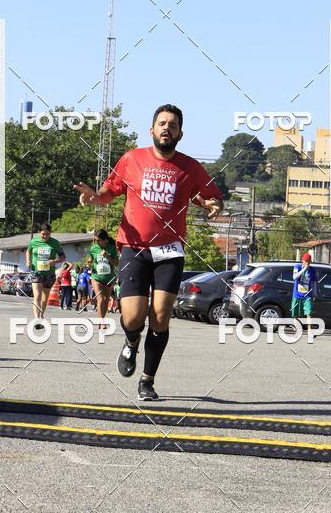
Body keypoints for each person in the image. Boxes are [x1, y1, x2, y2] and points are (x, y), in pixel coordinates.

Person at [75, 103, 223, 401]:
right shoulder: (132, 159)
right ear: (152, 130)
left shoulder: (190, 167)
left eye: (172, 124)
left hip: (170, 250)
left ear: (180, 133)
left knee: (160, 316)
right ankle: (130, 342)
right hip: (133, 248)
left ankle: (147, 380)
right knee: (132, 318)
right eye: (161, 123)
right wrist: (94, 198)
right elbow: (109, 193)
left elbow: (211, 197)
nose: (166, 127)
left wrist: (213, 205)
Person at [26, 223, 65, 330]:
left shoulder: (55, 243)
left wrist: (55, 261)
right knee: (37, 296)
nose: (45, 236)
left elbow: (63, 257)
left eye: (47, 234)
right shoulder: (34, 241)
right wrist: (28, 261)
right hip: (36, 272)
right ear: (39, 233)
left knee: (45, 298)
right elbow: (28, 251)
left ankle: (41, 314)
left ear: (50, 233)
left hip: (49, 274)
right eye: (43, 234)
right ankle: (36, 319)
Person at [89, 229, 119, 327]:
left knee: (106, 300)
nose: (96, 242)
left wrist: (107, 257)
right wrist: (89, 262)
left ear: (105, 240)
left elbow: (116, 264)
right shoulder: (94, 248)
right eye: (95, 240)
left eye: (98, 241)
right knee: (100, 299)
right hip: (96, 277)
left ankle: (102, 319)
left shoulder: (112, 248)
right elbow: (91, 258)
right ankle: (102, 322)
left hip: (108, 278)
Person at [291, 253, 316, 326]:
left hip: (307, 295)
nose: (307, 263)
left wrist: (314, 292)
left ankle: (309, 331)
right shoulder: (297, 267)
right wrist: (304, 268)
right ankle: (297, 328)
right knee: (295, 314)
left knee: (308, 313)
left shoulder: (312, 270)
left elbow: (314, 282)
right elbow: (295, 277)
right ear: (302, 260)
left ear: (310, 261)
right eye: (305, 261)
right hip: (297, 294)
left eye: (308, 261)